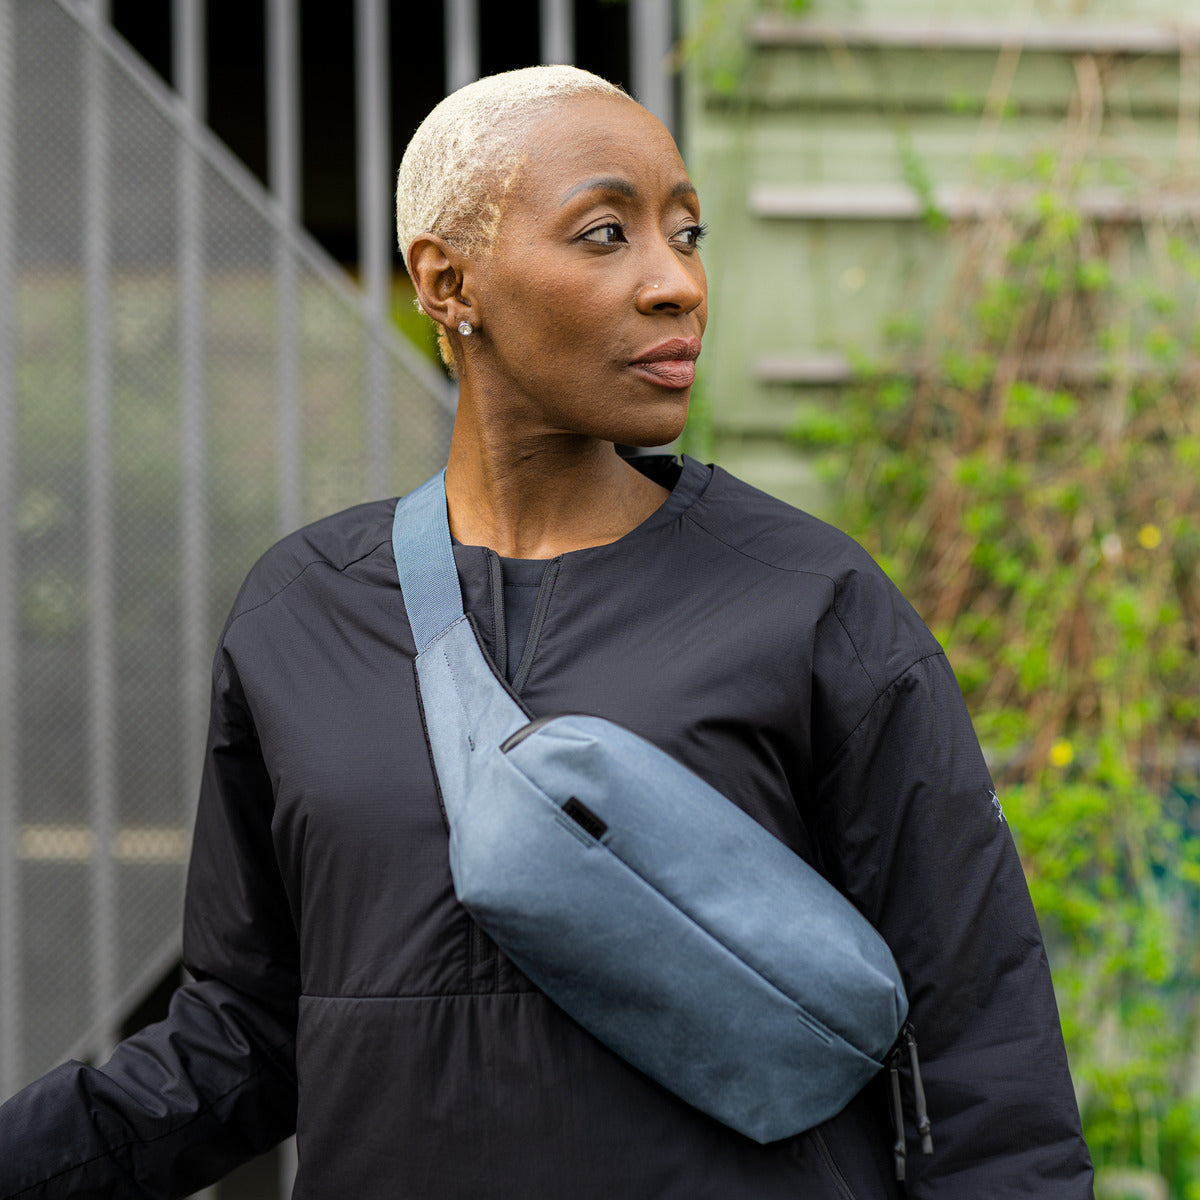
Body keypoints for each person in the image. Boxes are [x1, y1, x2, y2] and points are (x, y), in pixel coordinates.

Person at [0, 65, 1093, 1199]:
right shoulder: (304, 612)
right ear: (448, 281)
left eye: (688, 232)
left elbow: (980, 1054)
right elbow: (244, 1036)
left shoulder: (810, 601)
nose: (677, 283)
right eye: (606, 232)